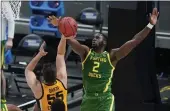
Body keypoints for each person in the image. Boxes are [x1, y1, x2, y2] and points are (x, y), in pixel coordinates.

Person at [48, 8, 159, 111]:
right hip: (88, 99)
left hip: (104, 100)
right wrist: (60, 25)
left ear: (104, 42)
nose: (95, 38)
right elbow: (70, 39)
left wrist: (150, 25)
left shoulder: (112, 56)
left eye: (98, 36)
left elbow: (134, 42)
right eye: (94, 37)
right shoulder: (86, 52)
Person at [25, 35, 68, 111]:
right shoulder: (62, 80)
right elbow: (60, 54)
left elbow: (28, 70)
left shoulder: (39, 89)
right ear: (56, 75)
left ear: (43, 76)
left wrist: (40, 54)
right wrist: (64, 37)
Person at [1, 1, 21, 111]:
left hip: (1, 41)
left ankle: (2, 99)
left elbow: (11, 21)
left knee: (0, 71)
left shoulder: (3, 3)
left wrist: (10, 39)